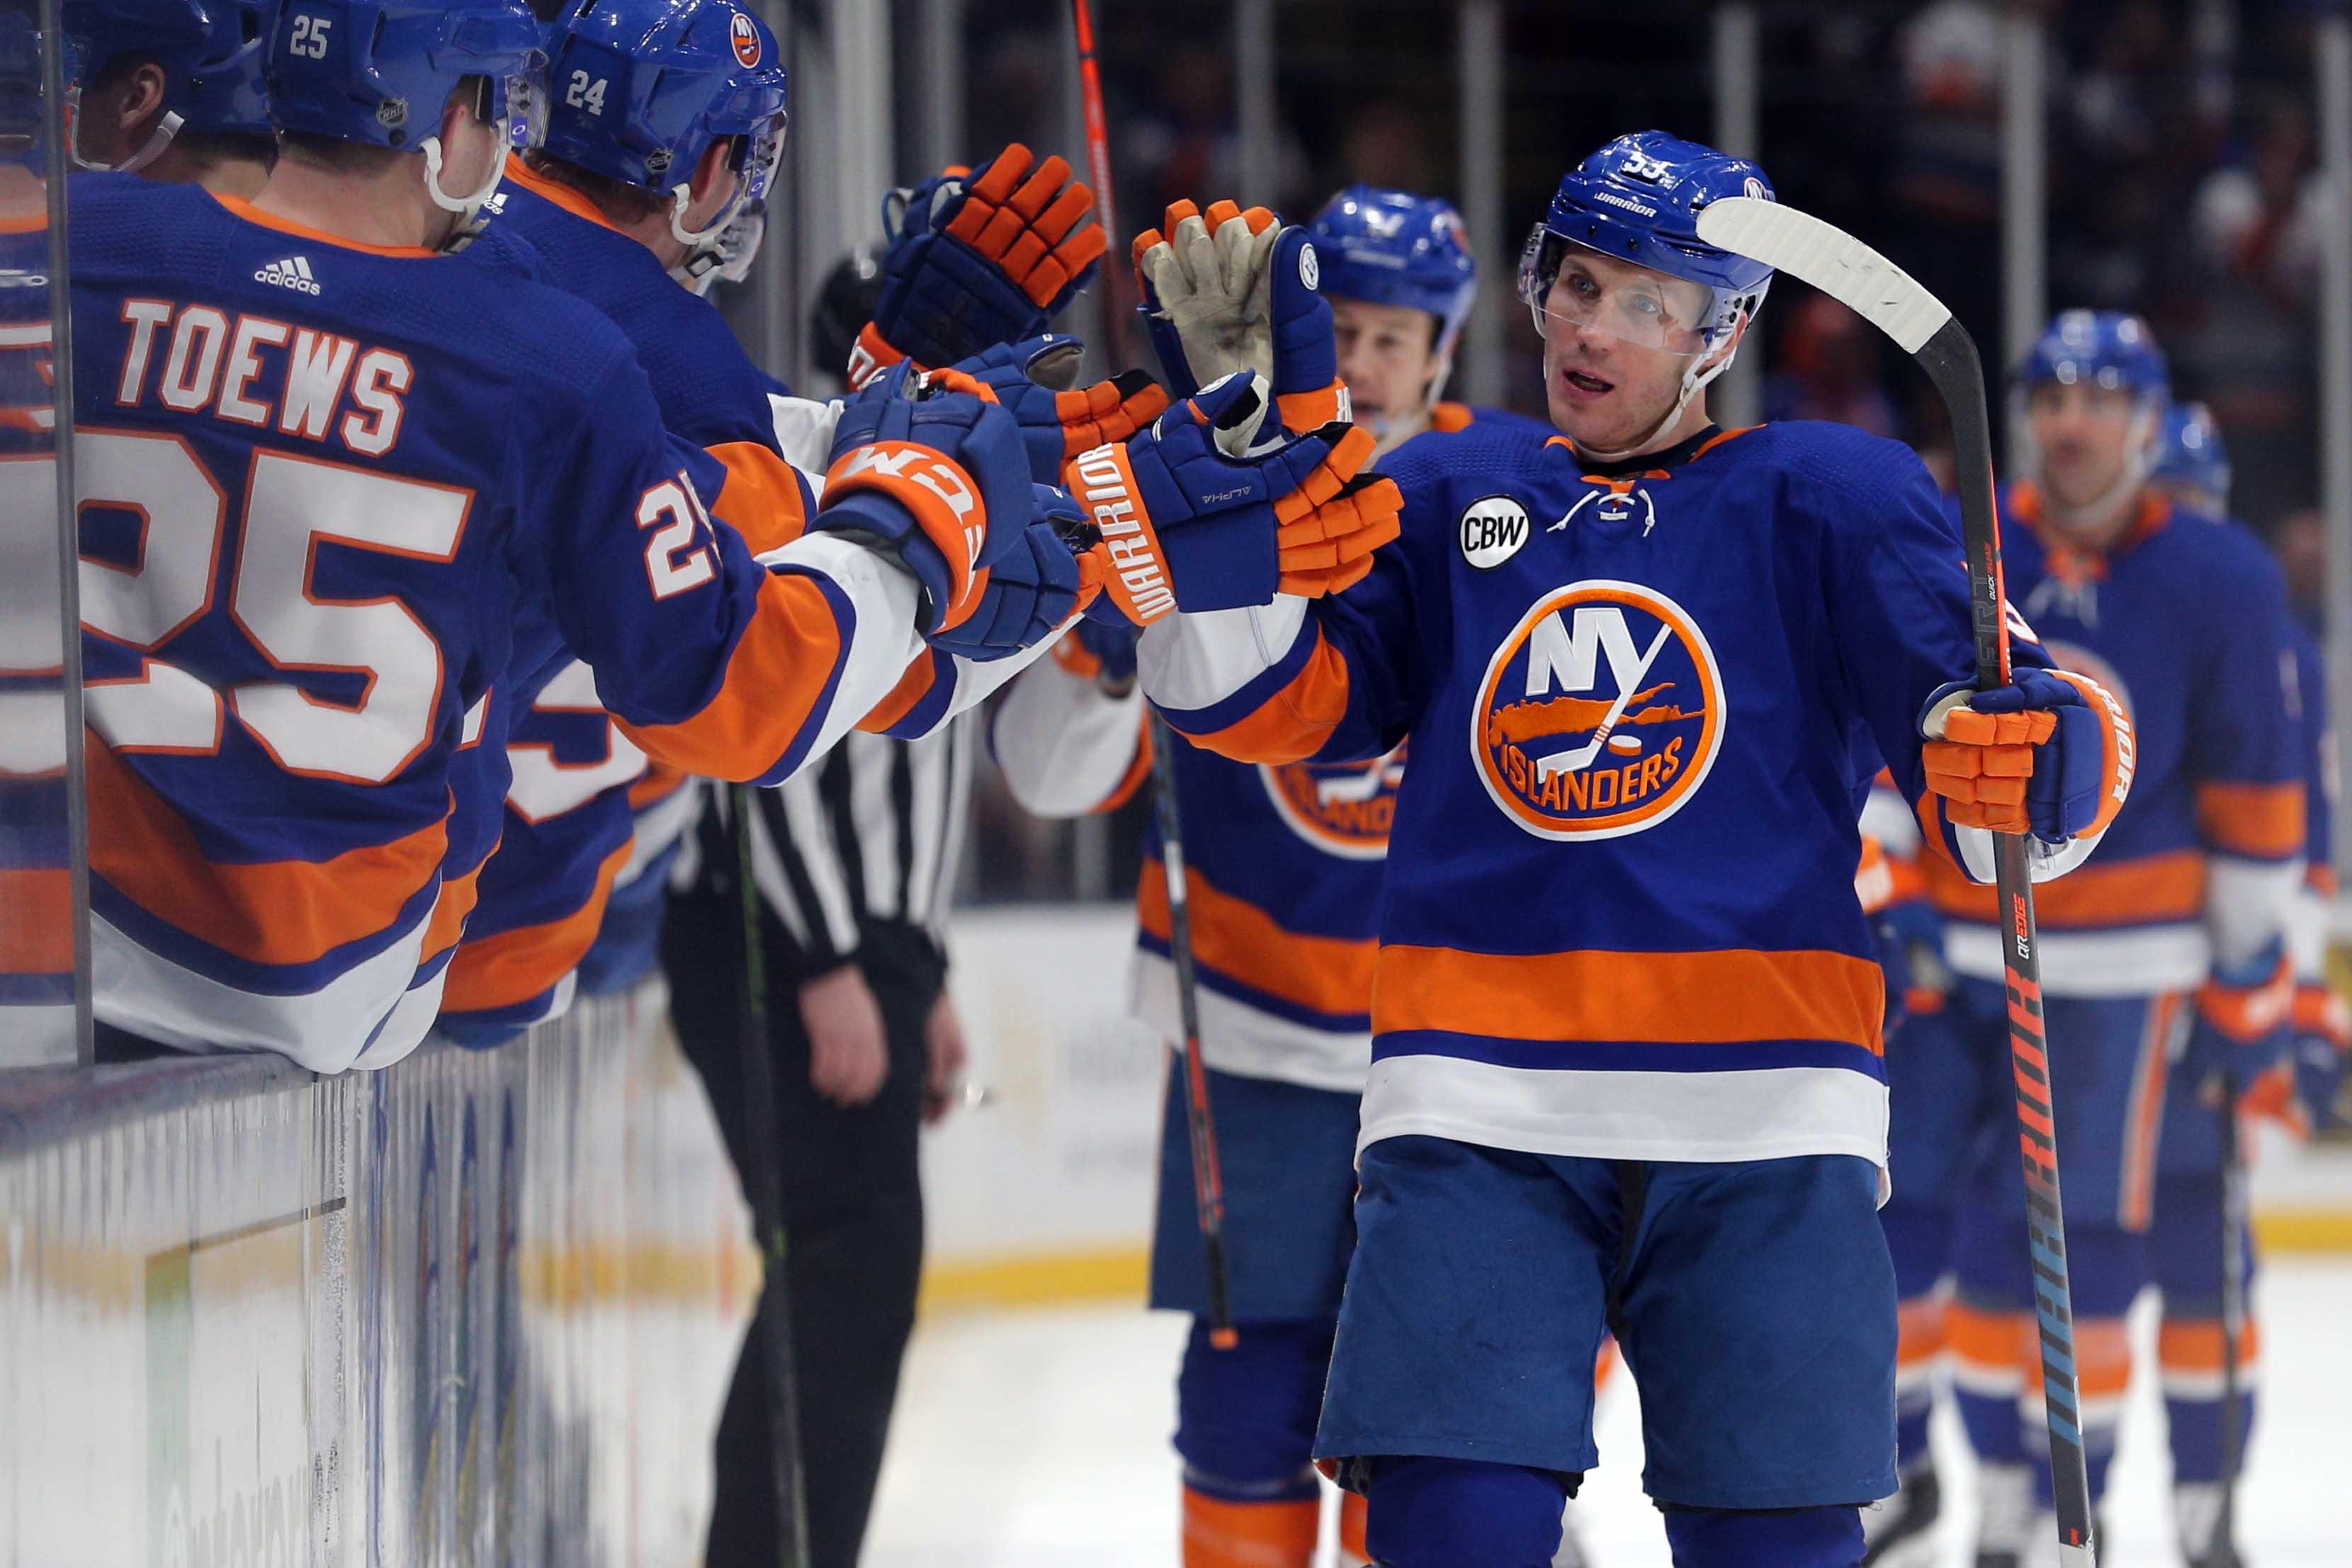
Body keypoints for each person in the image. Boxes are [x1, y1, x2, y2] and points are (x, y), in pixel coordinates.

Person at [1130, 131, 2133, 1568]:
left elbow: (2003, 758)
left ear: (1721, 332)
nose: (1593, 327)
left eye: (1647, 303)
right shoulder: (1448, 494)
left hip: (1765, 1120)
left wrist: (2048, 759)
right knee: (1445, 1528)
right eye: (1578, 282)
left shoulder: (1832, 498)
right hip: (1478, 1109)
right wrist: (1229, 480)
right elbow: (1262, 707)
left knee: (1774, 1543)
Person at [64, 0, 1078, 1072]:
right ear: (452, 115)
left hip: (63, 938)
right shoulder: (548, 360)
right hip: (334, 984)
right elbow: (741, 693)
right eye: (501, 107)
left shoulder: (82, 246)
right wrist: (914, 518)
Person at [992, 185, 1555, 1568]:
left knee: (1439, 1420)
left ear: (1442, 349)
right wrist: (1113, 622)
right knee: (1244, 1406)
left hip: (1460, 1055)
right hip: (1250, 1035)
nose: (1360, 361)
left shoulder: (1521, 499)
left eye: (1391, 333)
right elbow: (1053, 779)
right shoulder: (1191, 488)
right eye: (1337, 327)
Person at [1894, 316, 2300, 1568]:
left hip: (2129, 975)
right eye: (2050, 395)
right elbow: (1885, 727)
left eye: (2100, 397)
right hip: (1958, 955)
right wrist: (1895, 891)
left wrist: (2248, 977)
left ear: (2145, 418)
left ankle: (2100, 1493)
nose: (2070, 420)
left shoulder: (2223, 574)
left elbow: (2257, 798)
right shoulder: (1967, 538)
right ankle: (2004, 1497)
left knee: (2101, 1237)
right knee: (1956, 1229)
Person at [2142, 399, 2346, 1568]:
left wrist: (2294, 1008)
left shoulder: (2273, 647)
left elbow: (2297, 852)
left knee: (2210, 1266)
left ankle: (2206, 1509)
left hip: (2217, 1004)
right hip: (2106, 997)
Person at [62, 0, 273, 194]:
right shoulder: (299, 222)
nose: (62, 95)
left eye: (74, 75)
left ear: (137, 98)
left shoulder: (91, 228)